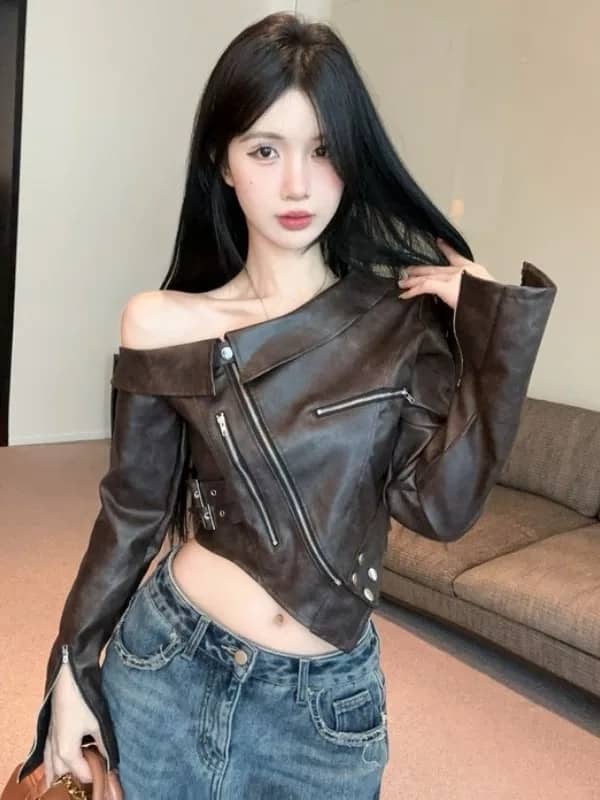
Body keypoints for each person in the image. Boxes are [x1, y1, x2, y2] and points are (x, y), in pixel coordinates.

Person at [16, 11, 557, 800]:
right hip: (167, 666)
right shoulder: (162, 322)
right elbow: (132, 513)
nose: (297, 184)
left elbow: (438, 508)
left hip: (325, 714)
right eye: (265, 150)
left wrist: (495, 334)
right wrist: (71, 664)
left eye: (323, 150)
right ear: (224, 161)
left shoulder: (401, 321)